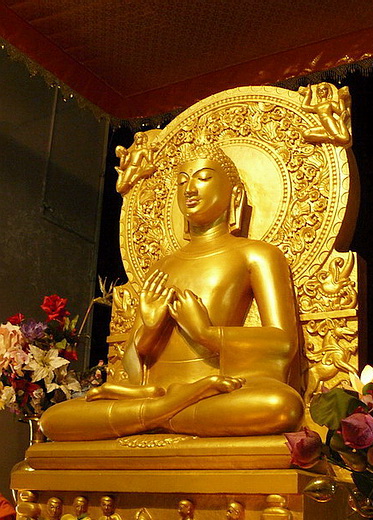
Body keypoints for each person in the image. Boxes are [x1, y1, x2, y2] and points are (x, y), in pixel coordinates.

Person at [40, 144, 304, 440]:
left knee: (280, 406)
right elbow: (132, 367)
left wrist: (207, 334)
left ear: (235, 194)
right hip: (157, 393)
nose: (189, 189)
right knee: (53, 419)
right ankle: (166, 409)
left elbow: (283, 342)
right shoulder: (161, 266)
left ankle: (151, 416)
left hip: (219, 390)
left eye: (203, 177)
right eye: (181, 181)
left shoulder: (257, 255)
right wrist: (149, 330)